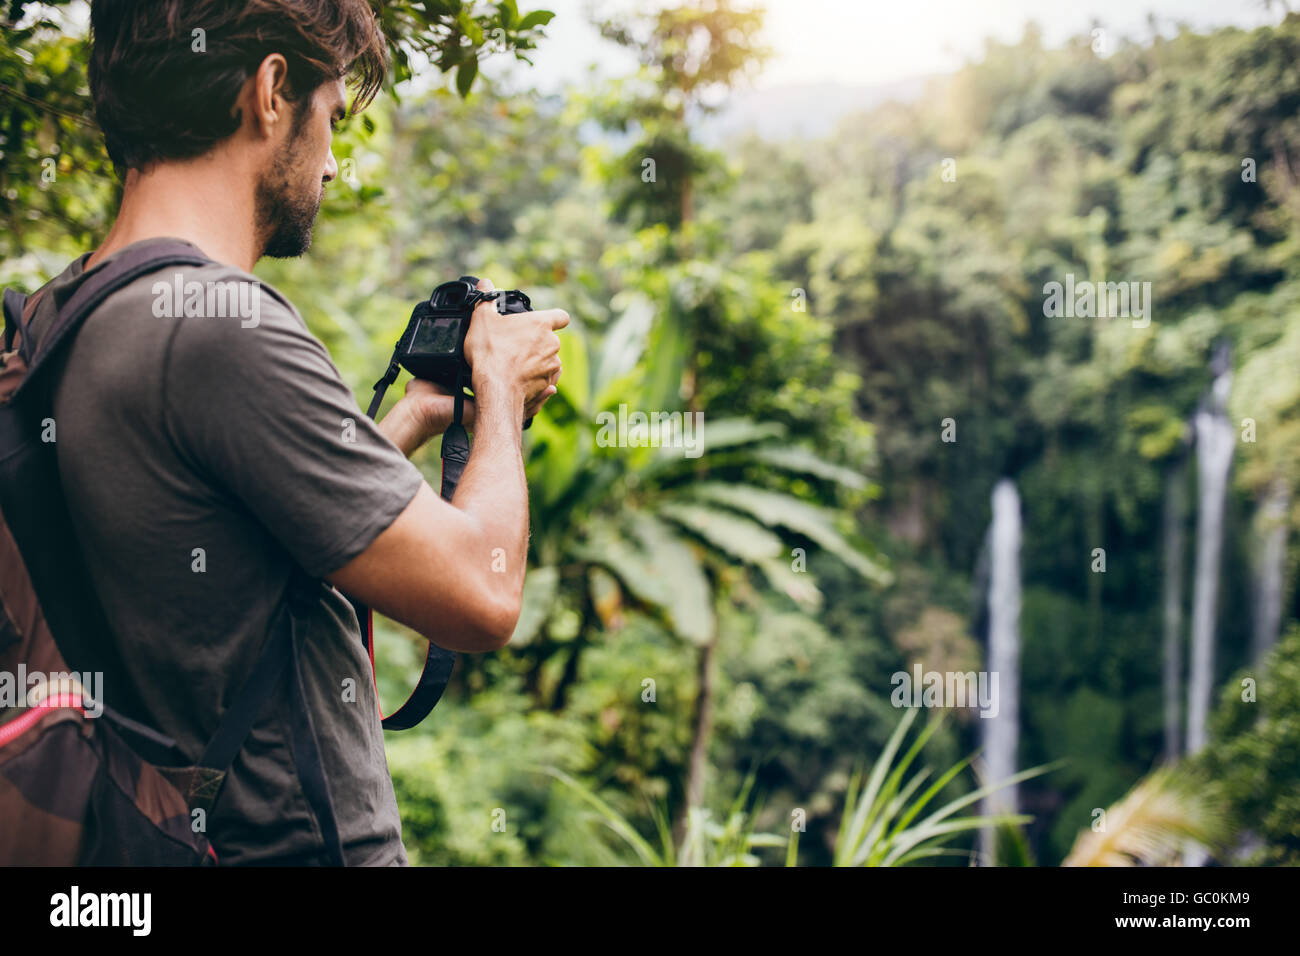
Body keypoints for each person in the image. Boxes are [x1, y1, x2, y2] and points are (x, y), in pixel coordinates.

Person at [20, 0, 567, 865]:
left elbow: (238, 550)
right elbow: (483, 596)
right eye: (333, 116)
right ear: (272, 91)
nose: (335, 164)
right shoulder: (221, 326)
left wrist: (418, 418)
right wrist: (499, 388)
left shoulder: (61, 314)